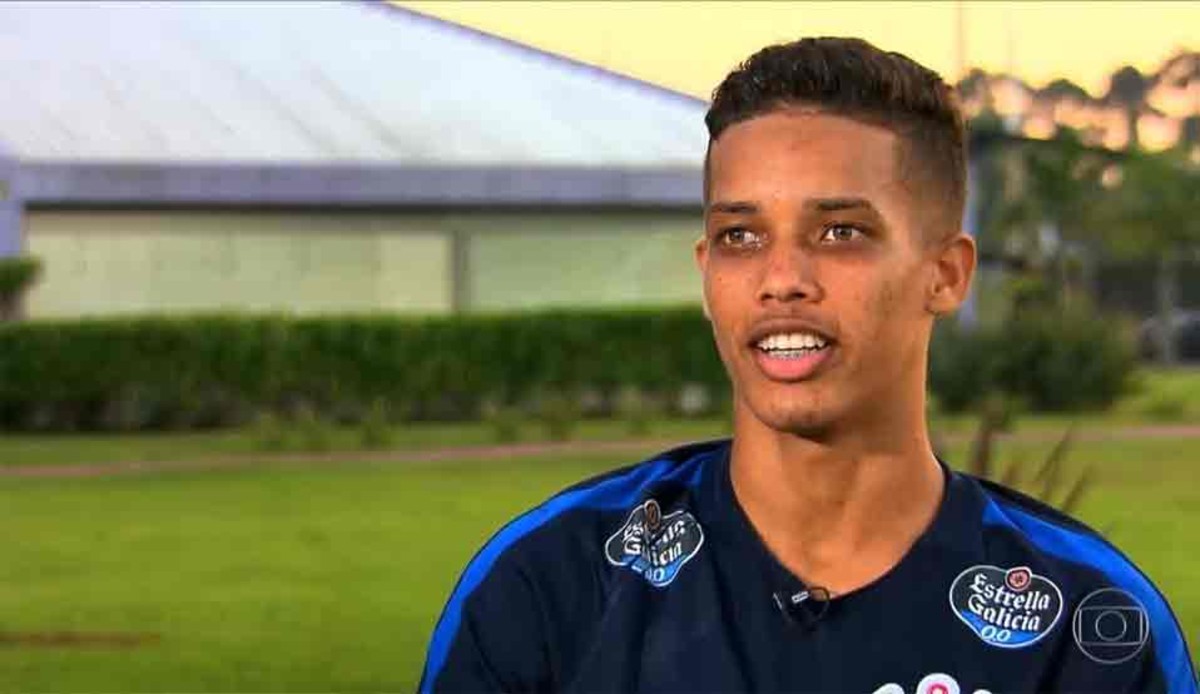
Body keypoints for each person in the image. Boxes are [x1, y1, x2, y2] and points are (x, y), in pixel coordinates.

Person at [419, 37, 1197, 693]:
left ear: (946, 274)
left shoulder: (1089, 628)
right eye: (741, 236)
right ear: (707, 273)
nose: (781, 278)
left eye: (840, 232)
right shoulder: (550, 587)